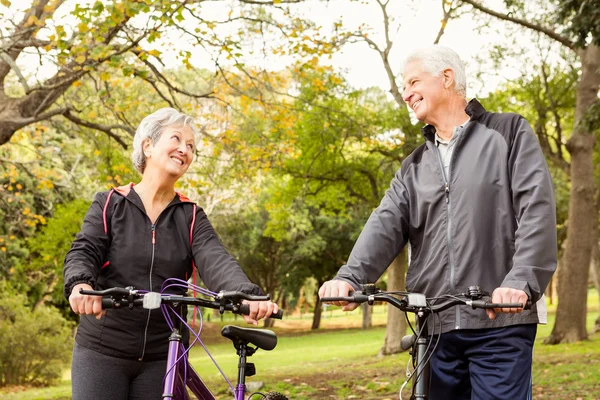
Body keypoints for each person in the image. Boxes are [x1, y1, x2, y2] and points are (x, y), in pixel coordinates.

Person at [318, 45, 557, 399]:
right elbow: (385, 224)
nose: (405, 92)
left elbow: (536, 208)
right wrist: (350, 278)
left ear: (446, 78)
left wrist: (521, 280)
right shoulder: (414, 166)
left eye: (413, 81)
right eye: (403, 85)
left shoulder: (508, 133)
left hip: (499, 320)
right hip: (436, 327)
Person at [63, 108, 278, 400]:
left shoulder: (190, 216)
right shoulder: (111, 204)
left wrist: (245, 294)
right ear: (148, 146)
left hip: (163, 355)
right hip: (103, 350)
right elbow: (85, 249)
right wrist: (80, 286)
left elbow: (216, 260)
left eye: (191, 146)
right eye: (176, 139)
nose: (184, 150)